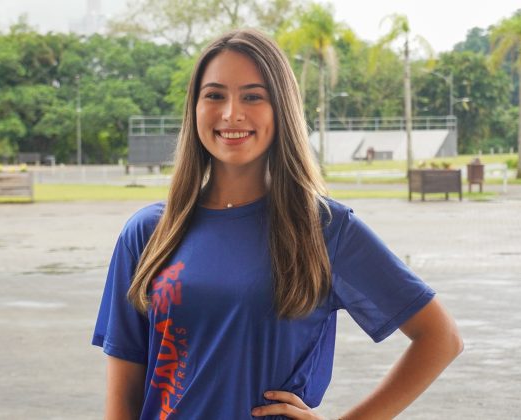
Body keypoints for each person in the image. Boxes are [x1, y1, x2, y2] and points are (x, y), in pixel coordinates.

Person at [92, 28, 463, 420]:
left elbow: (441, 337)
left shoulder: (323, 228)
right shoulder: (149, 233)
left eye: (253, 96)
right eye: (214, 95)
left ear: (281, 108)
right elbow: (124, 393)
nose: (231, 113)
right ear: (194, 108)